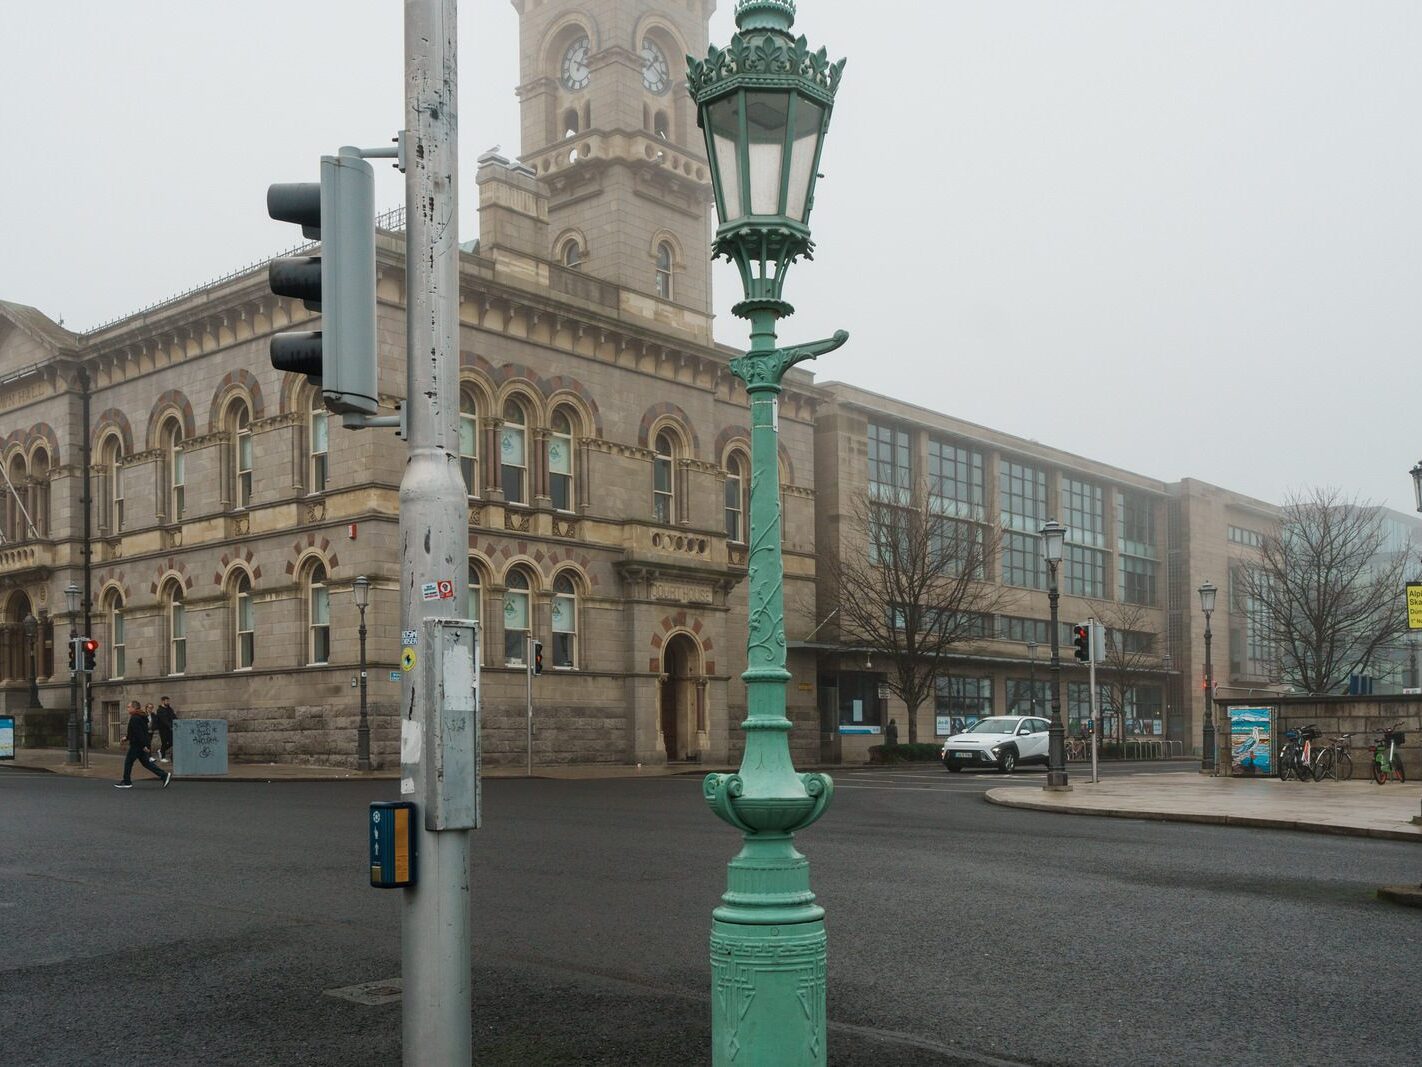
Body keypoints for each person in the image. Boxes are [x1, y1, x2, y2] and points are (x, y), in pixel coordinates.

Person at [116, 700, 171, 789]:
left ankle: (127, 782)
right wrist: (127, 738)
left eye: (129, 707)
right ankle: (164, 775)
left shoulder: (135, 718)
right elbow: (136, 732)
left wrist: (144, 746)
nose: (127, 708)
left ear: (134, 708)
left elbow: (139, 733)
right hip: (139, 744)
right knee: (146, 763)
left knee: (128, 762)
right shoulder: (140, 716)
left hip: (136, 745)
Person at [154, 696, 178, 763]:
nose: (168, 702)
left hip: (170, 729)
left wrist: (178, 722)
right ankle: (163, 757)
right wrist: (170, 726)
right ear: (163, 701)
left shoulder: (169, 709)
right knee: (164, 743)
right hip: (163, 729)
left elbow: (173, 716)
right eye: (166, 701)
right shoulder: (160, 710)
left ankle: (161, 751)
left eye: (168, 701)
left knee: (172, 742)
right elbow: (164, 720)